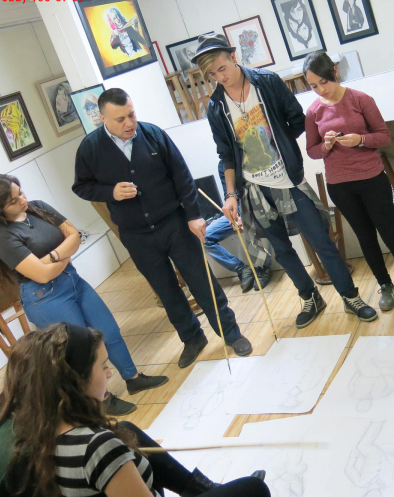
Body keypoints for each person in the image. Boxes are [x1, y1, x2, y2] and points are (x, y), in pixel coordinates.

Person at [194, 33, 378, 329]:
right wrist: (230, 195)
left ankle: (350, 296)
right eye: (212, 74)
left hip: (287, 180)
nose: (220, 77)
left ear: (233, 57)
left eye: (222, 68)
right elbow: (226, 154)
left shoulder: (266, 82)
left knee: (321, 241)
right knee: (281, 249)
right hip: (253, 188)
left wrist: (277, 143)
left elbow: (296, 119)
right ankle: (310, 297)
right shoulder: (216, 106)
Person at [0, 323, 270, 497]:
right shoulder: (97, 447)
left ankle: (199, 489)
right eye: (104, 366)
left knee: (127, 430)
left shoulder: (18, 415)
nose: (110, 373)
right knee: (253, 489)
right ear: (77, 381)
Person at [72, 88, 253, 369]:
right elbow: (82, 187)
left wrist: (193, 215)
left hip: (175, 223)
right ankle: (192, 339)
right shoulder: (90, 148)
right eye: (120, 119)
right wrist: (110, 192)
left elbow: (182, 175)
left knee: (202, 281)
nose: (129, 123)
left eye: (131, 114)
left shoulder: (153, 134)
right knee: (167, 291)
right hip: (136, 235)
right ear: (103, 119)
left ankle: (231, 334)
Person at [0, 174, 167, 417]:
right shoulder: (2, 237)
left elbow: (75, 235)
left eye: (20, 192)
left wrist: (52, 258)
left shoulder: (38, 207)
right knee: (81, 351)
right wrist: (65, 253)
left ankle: (133, 378)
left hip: (72, 280)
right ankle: (101, 400)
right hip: (45, 298)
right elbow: (42, 275)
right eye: (13, 201)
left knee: (109, 332)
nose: (22, 200)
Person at [303, 51, 394, 311]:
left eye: (323, 82)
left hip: (372, 179)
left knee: (391, 232)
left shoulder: (360, 99)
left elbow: (383, 136)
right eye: (313, 86)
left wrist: (360, 140)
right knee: (365, 237)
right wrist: (326, 146)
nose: (321, 90)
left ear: (334, 72)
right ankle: (385, 285)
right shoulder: (313, 111)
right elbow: (312, 151)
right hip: (339, 185)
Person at [205, 160, 273, 292]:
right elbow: (230, 196)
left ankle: (262, 267)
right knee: (204, 237)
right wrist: (234, 215)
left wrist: (246, 214)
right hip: (239, 210)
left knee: (263, 222)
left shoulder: (252, 156)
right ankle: (241, 269)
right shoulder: (223, 164)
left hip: (259, 206)